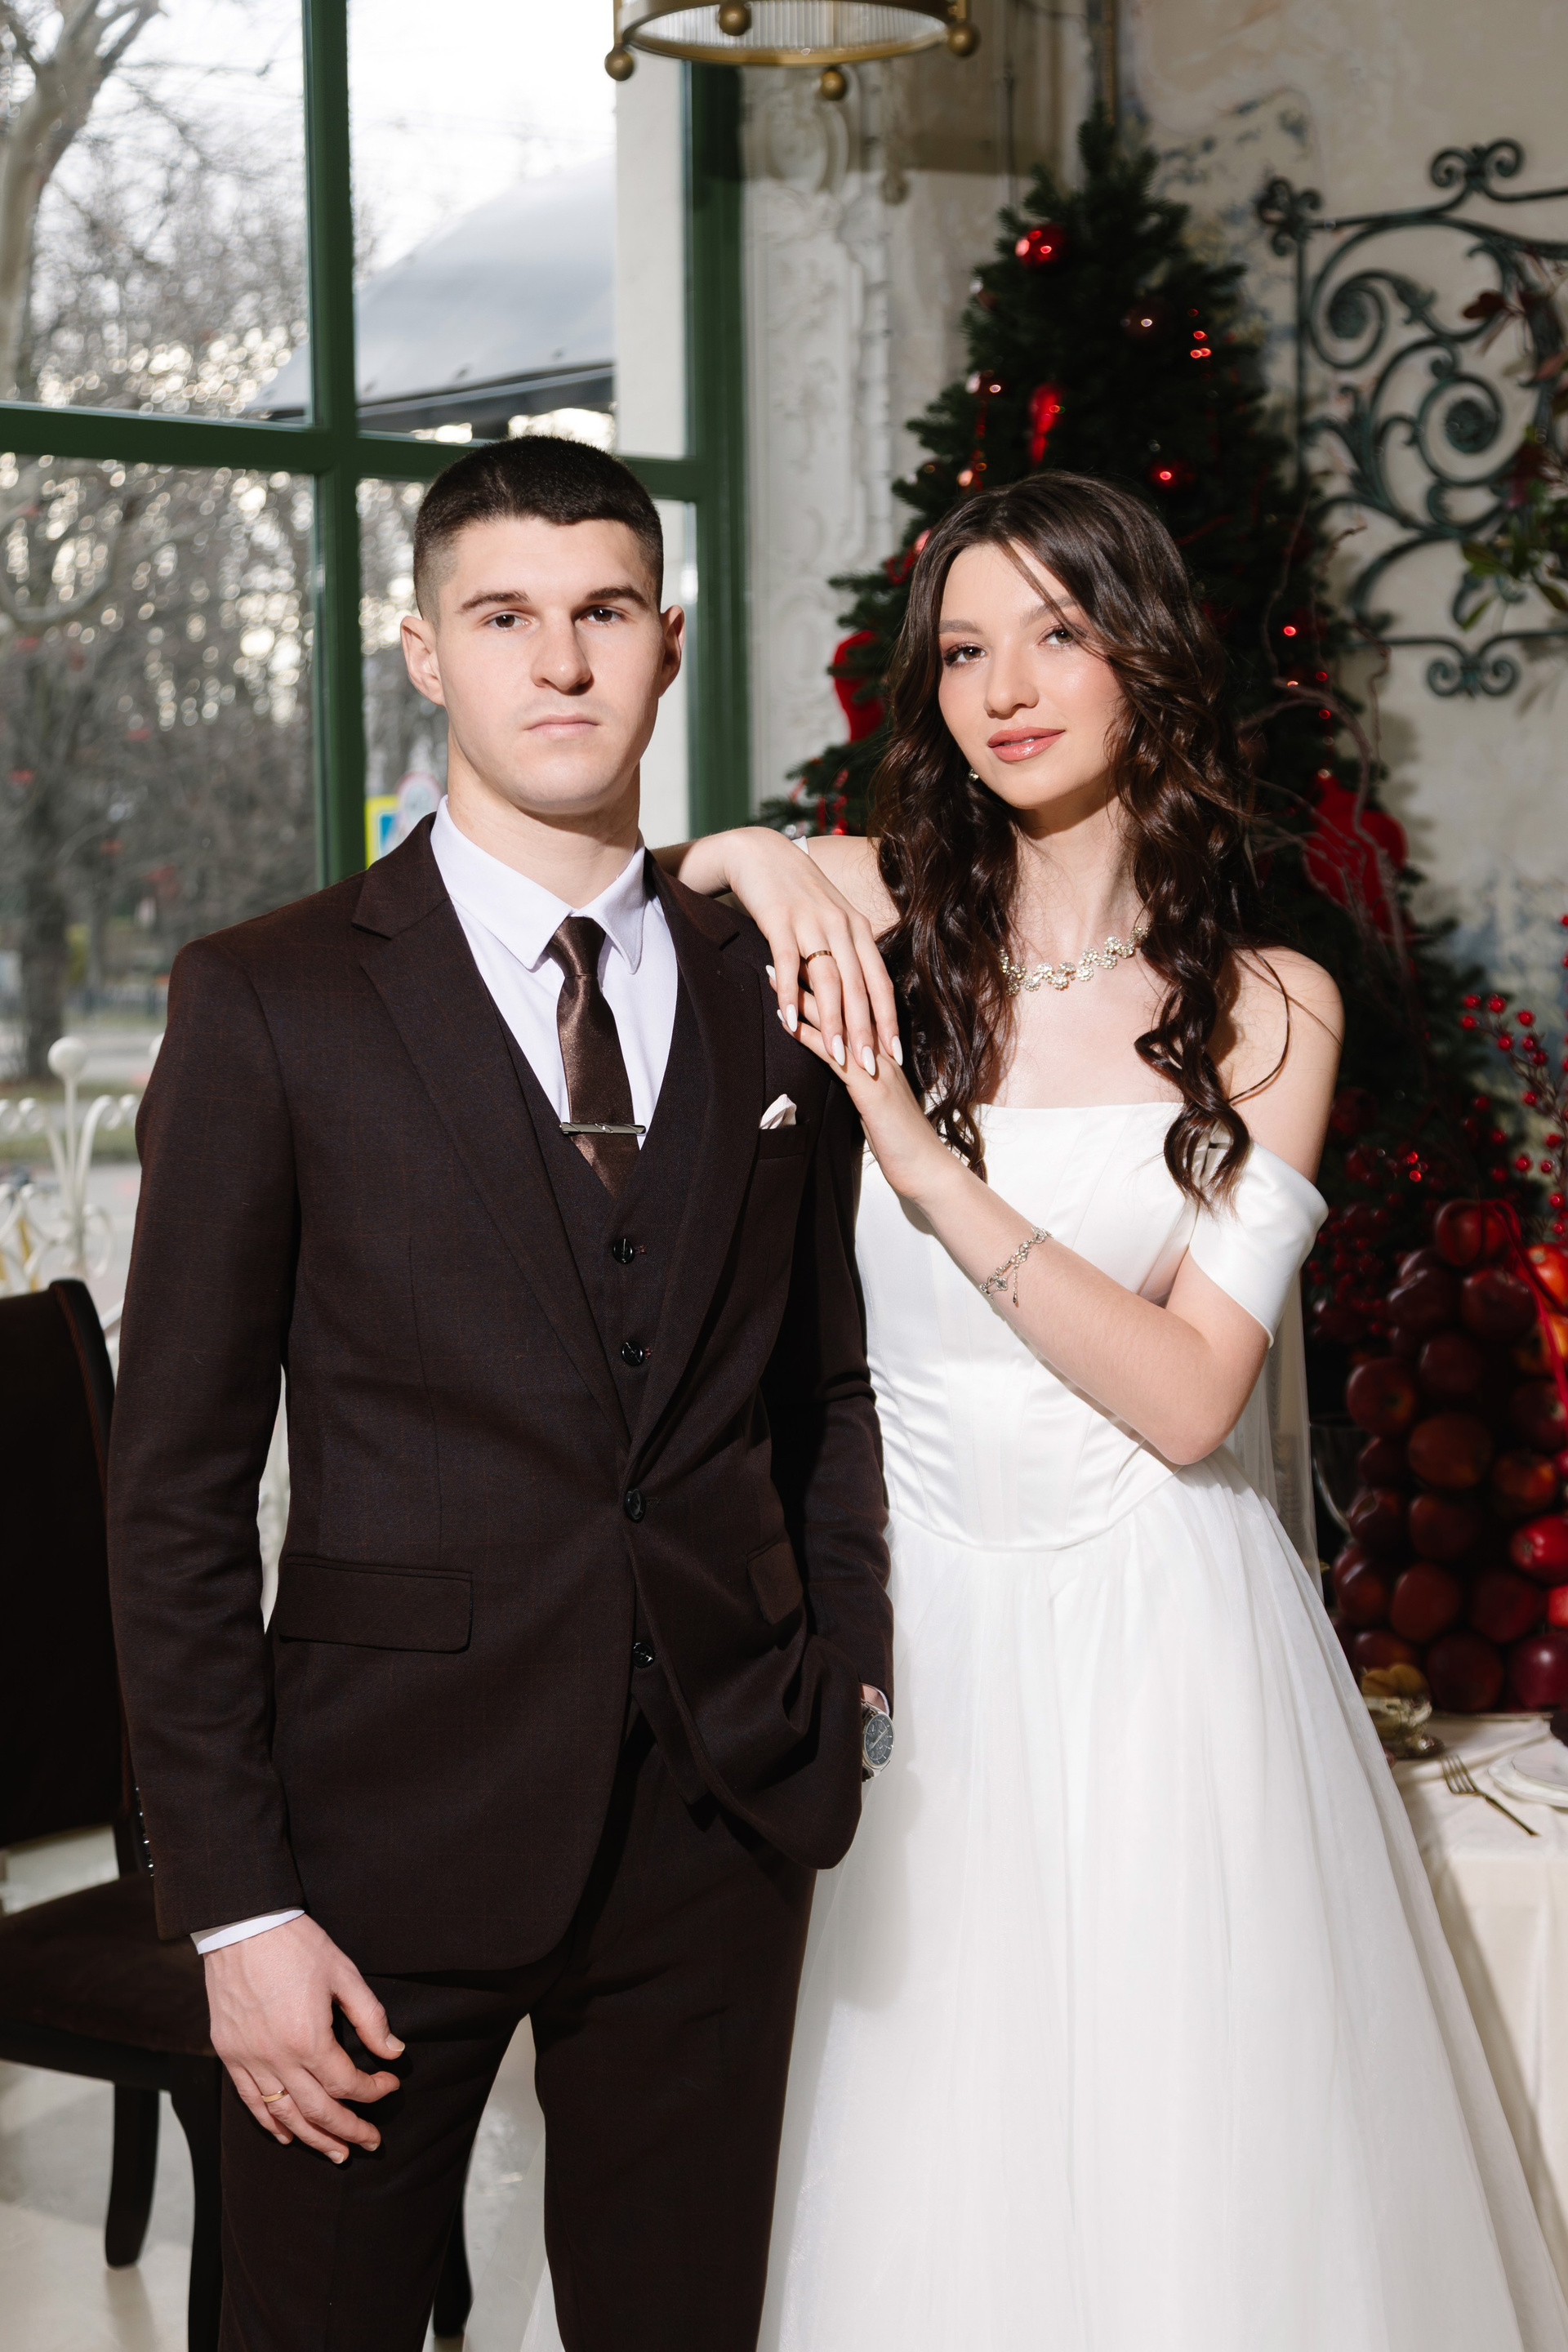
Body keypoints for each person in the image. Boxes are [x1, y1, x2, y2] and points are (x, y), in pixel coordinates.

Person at [506, 469, 1568, 2351]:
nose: (1001, 689)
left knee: (1187, 2167)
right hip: (900, 1621)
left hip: (1164, 1641)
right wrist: (752, 850)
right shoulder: (870, 914)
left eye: (1054, 636)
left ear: (1144, 659)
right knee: (904, 2149)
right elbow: (636, 892)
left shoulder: (1272, 1007)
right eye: (962, 651)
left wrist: (926, 1159)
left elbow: (1192, 1394)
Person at [106, 435, 894, 2352]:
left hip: (717, 1815)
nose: (559, 662)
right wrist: (235, 1909)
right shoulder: (270, 998)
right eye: (505, 616)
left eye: (604, 612)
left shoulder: (766, 979)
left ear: (669, 644)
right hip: (370, 1839)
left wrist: (849, 1675)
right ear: (424, 650)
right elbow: (174, 1491)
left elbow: (826, 1376)